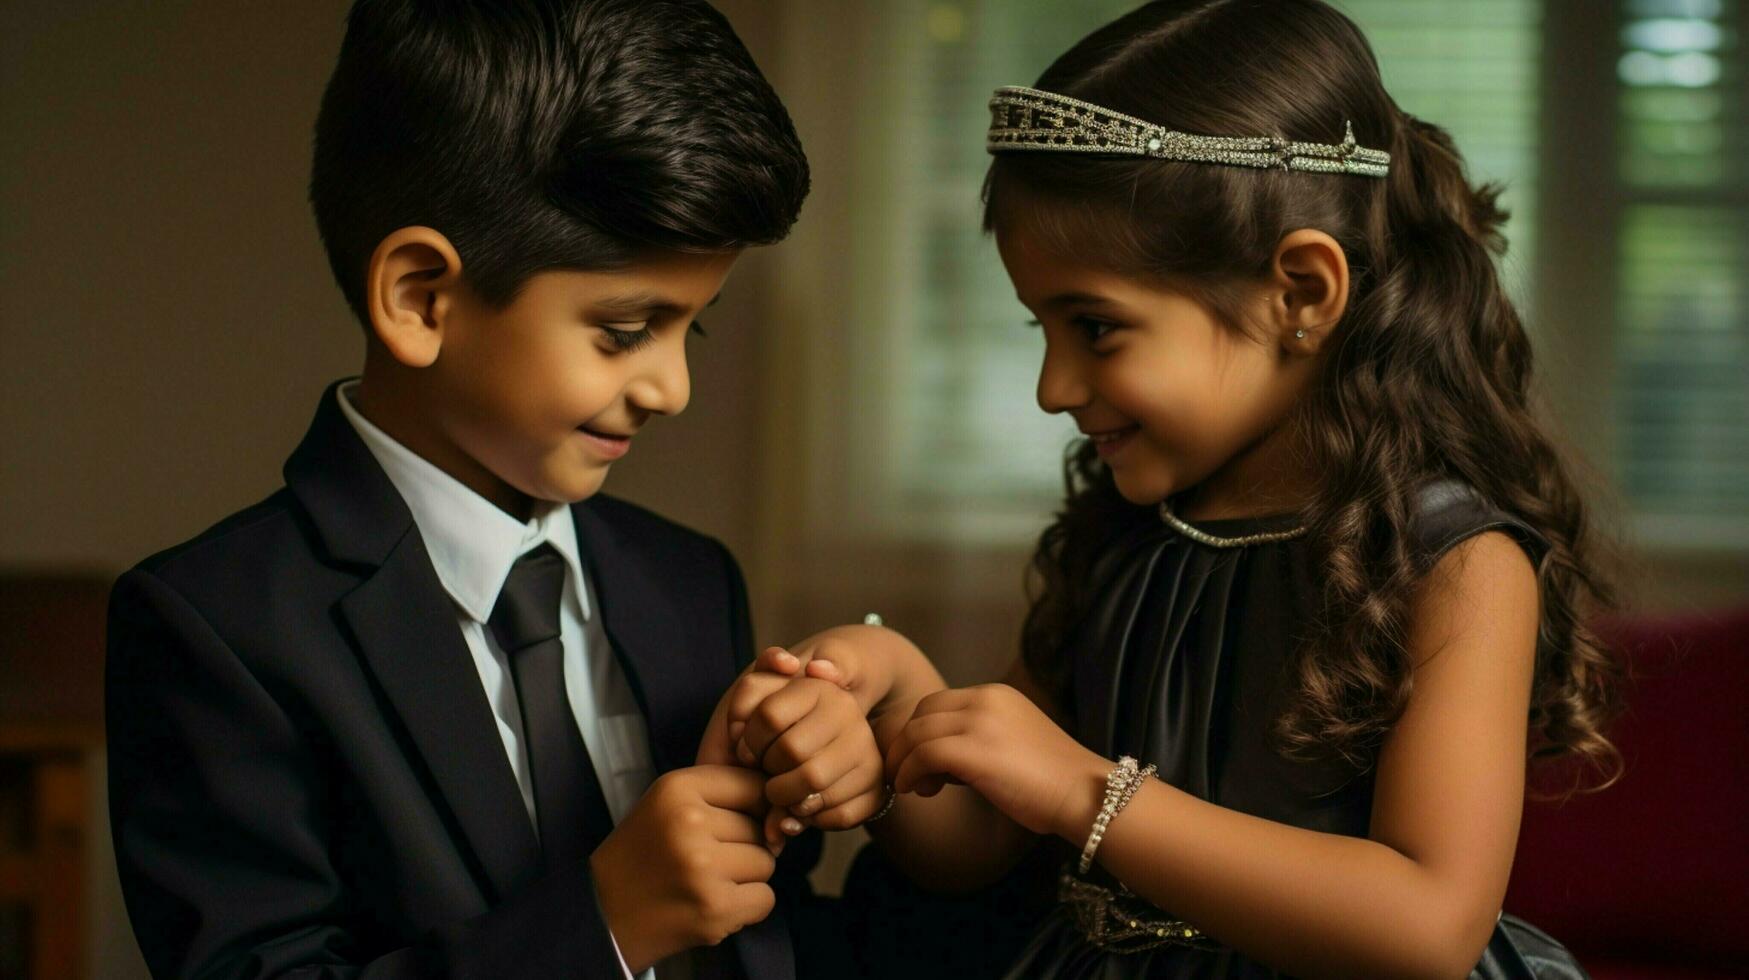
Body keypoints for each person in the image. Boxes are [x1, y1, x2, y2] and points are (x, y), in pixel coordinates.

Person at [718, 1, 1624, 976]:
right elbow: (975, 847)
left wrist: (1085, 791)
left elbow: (1427, 924)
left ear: (1302, 294)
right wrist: (892, 700)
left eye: (1096, 327)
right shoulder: (1126, 533)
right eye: (1041, 331)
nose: (1054, 388)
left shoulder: (1456, 566)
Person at [102, 1, 825, 976]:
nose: (673, 389)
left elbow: (776, 932)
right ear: (420, 299)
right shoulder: (220, 627)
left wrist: (822, 783)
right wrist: (603, 924)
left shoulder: (689, 582)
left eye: (691, 329)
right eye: (623, 330)